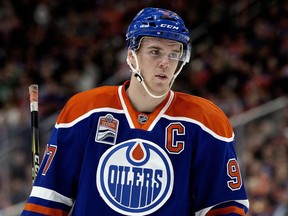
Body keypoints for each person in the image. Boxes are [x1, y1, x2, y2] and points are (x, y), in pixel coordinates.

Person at [21, 7, 249, 215]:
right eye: (155, 51)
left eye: (173, 53)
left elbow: (225, 207)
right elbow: (48, 201)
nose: (165, 63)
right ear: (131, 55)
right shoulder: (84, 111)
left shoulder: (207, 122)